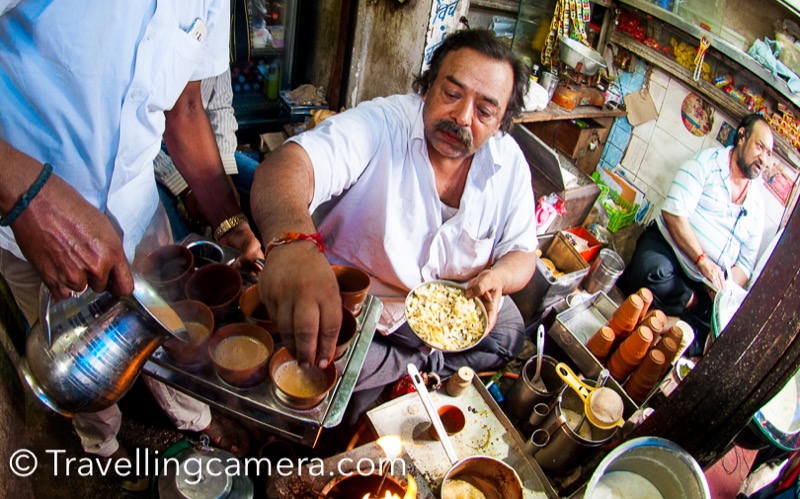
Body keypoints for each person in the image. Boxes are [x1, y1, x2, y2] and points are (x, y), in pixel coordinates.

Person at [0, 0, 263, 484]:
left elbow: (184, 108)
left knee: (168, 330)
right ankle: (101, 443)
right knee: (73, 360)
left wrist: (231, 222)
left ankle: (193, 418)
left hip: (137, 210)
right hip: (27, 227)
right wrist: (24, 193)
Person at [251, 29, 538, 423]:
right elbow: (287, 167)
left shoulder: (510, 165)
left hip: (446, 309)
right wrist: (293, 244)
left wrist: (499, 277)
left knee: (509, 330)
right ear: (427, 85)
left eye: (485, 111)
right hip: (369, 303)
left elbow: (524, 252)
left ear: (501, 120)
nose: (463, 117)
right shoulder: (382, 124)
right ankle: (401, 371)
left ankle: (403, 369)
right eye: (451, 93)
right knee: (315, 360)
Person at [620, 113, 773, 356]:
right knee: (652, 270)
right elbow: (673, 214)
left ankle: (665, 319)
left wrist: (722, 287)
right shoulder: (707, 164)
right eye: (760, 147)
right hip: (669, 254)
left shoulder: (756, 206)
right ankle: (682, 315)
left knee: (723, 332)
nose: (763, 159)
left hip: (706, 286)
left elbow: (745, 265)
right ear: (742, 136)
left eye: (768, 153)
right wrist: (702, 261)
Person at [155, 68, 262, 241]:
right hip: (154, 151)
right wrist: (185, 189)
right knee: (172, 235)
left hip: (202, 137)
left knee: (265, 186)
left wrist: (225, 173)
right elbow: (183, 113)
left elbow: (219, 106)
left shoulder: (214, 42)